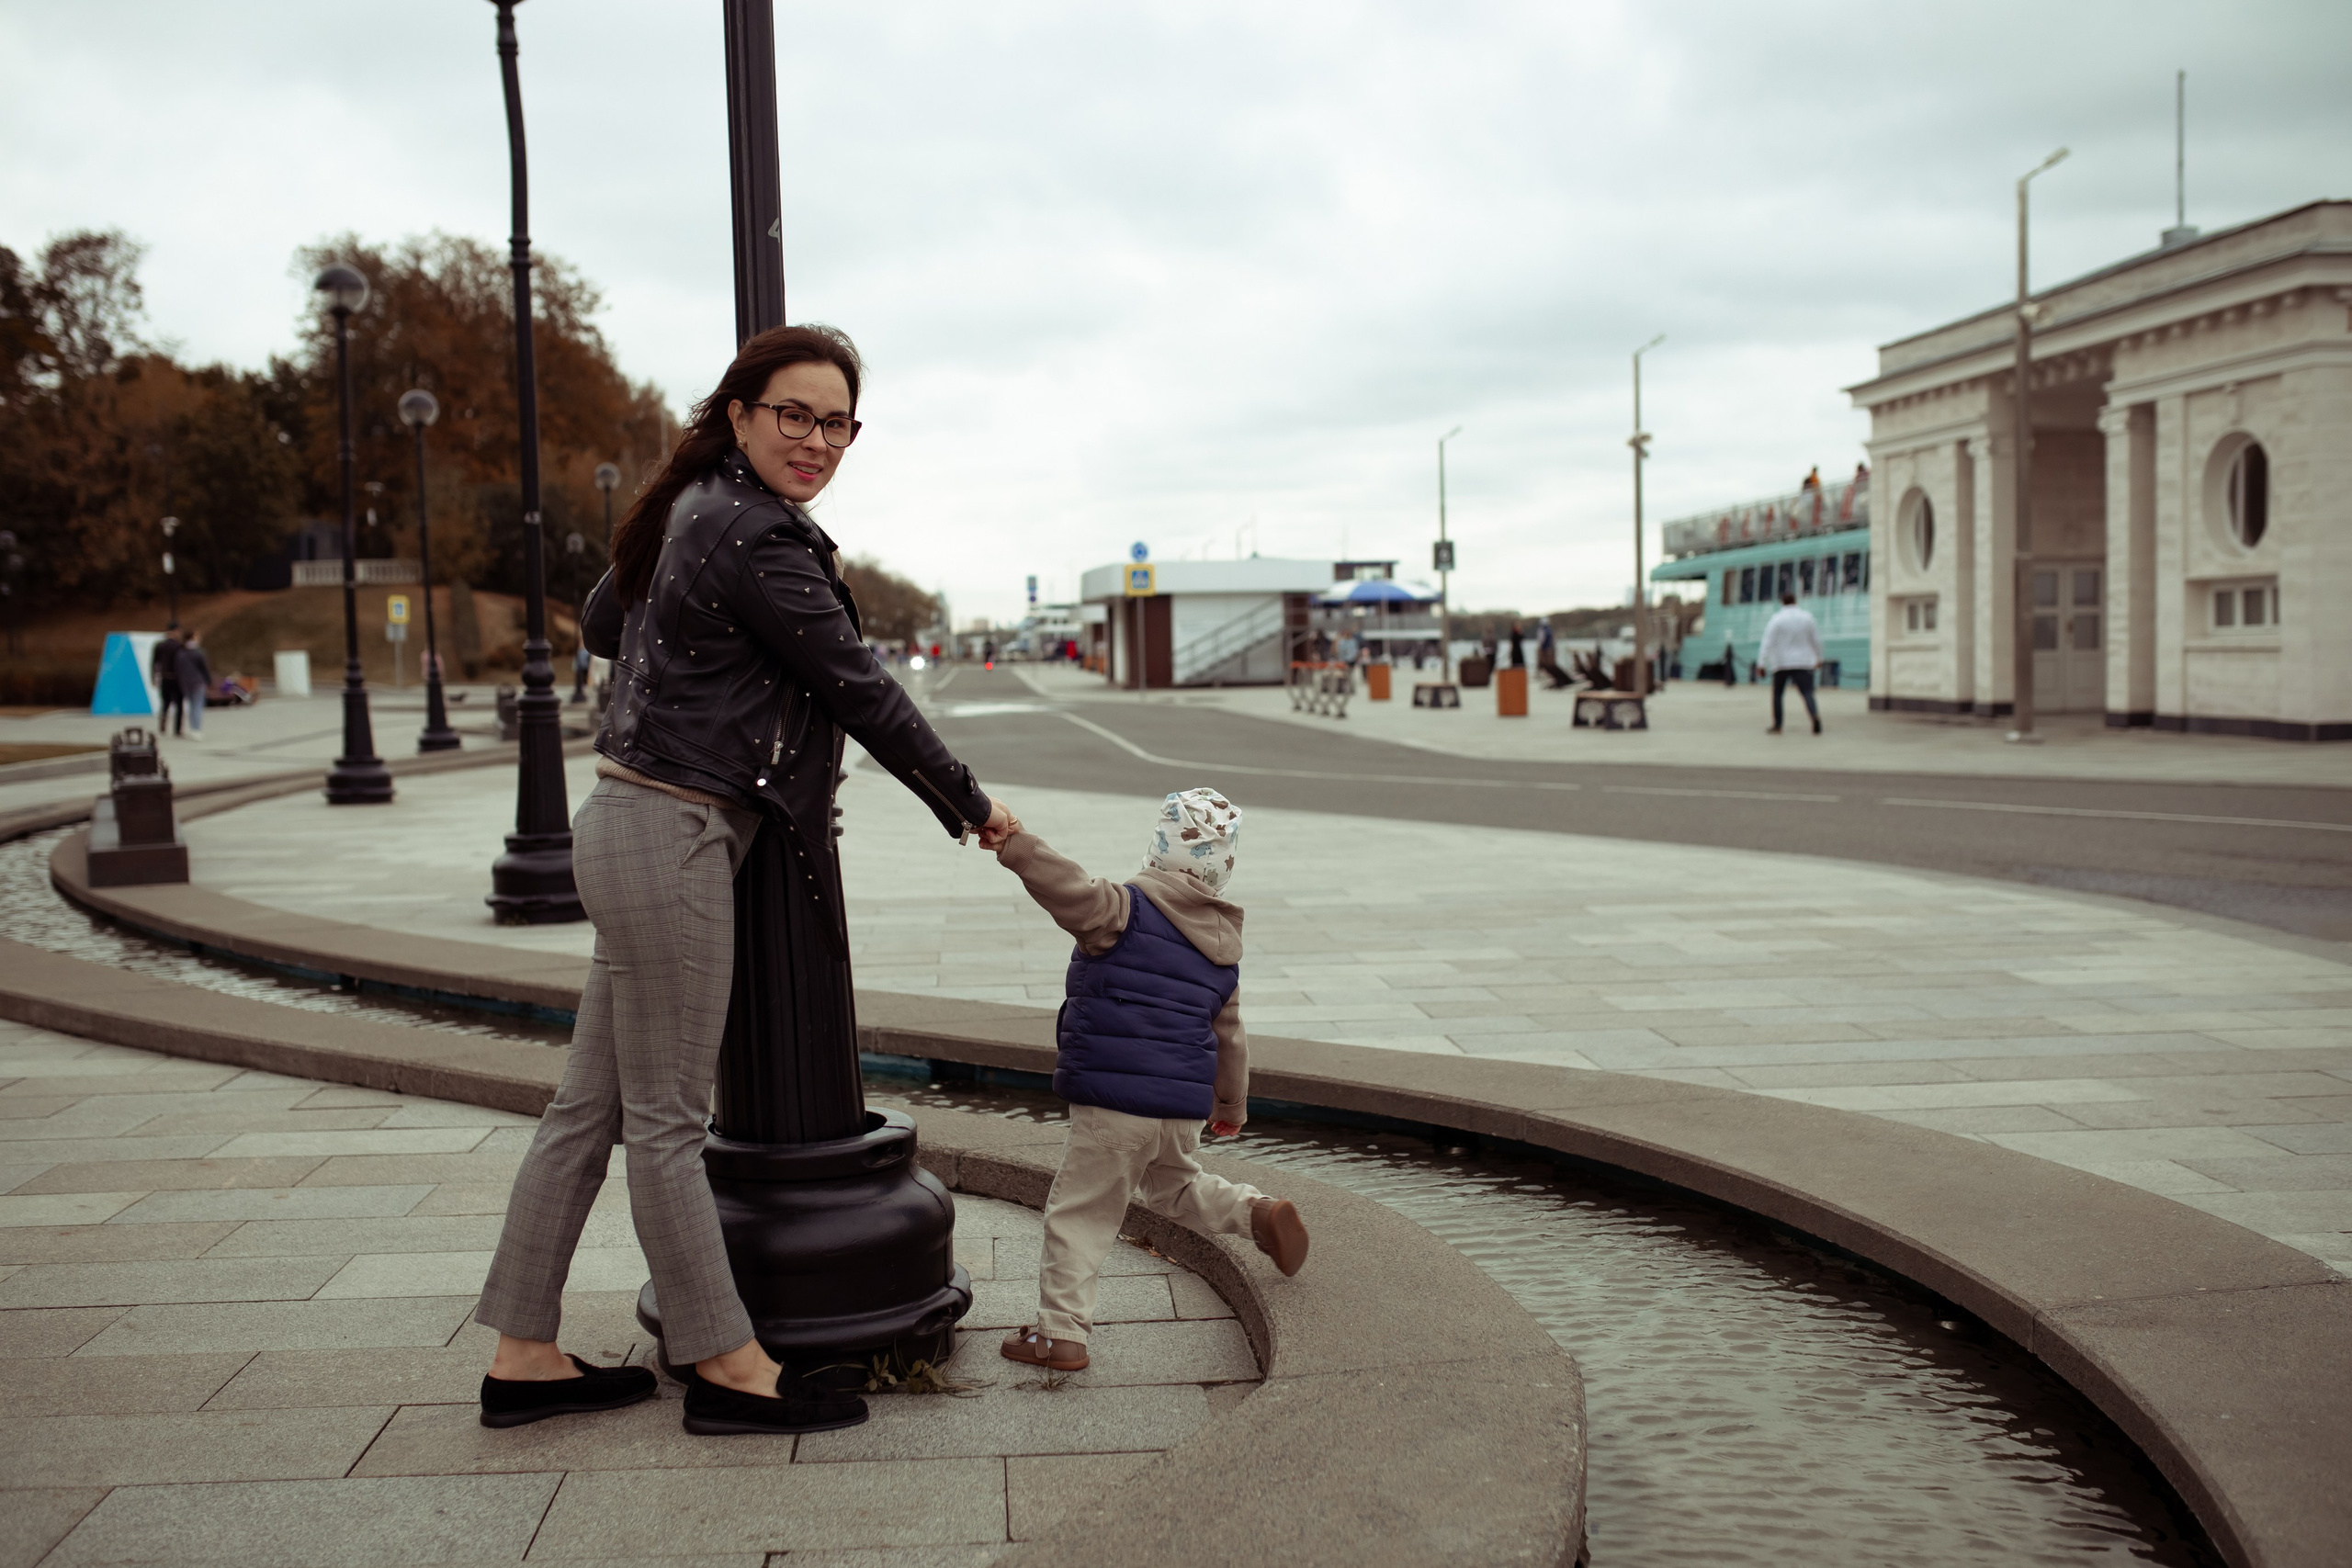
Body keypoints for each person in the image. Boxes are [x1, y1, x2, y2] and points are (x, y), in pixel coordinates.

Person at [471, 324, 1015, 1438]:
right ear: (740, 415)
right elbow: (862, 689)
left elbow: (603, 619)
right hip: (674, 834)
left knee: (588, 1110)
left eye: (837, 423)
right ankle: (729, 1366)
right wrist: (970, 803)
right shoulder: (756, 535)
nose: (817, 440)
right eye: (794, 415)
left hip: (633, 821)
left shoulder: (691, 512)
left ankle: (522, 1352)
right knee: (666, 1121)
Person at [991, 788, 1307, 1371]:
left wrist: (1014, 844)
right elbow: (1230, 1034)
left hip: (1115, 1104)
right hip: (1180, 1109)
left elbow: (1067, 887)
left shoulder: (1123, 909)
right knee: (1174, 1186)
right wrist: (1231, 1105)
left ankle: (1060, 1335)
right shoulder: (1220, 951)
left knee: (1081, 1210)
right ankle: (1255, 1214)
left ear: (1159, 849)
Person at [1758, 590, 1824, 735]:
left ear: (1783, 602)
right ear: (1795, 601)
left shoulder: (1777, 619)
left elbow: (1767, 641)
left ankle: (1778, 725)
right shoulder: (1807, 618)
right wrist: (1819, 657)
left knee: (1778, 694)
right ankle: (1814, 716)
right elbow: (1816, 640)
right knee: (1807, 692)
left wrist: (1761, 662)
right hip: (1804, 661)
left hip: (1781, 662)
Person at [172, 629, 211, 742]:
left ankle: (193, 729)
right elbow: (204, 669)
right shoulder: (198, 653)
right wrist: (208, 681)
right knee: (197, 706)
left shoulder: (180, 653)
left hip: (185, 683)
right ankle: (196, 729)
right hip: (198, 682)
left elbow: (178, 669)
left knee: (191, 706)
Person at [151, 629, 185, 737]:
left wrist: (153, 677)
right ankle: (177, 729)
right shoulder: (179, 646)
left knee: (166, 702)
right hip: (177, 678)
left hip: (164, 677)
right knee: (179, 704)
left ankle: (163, 719)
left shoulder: (160, 646)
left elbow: (154, 662)